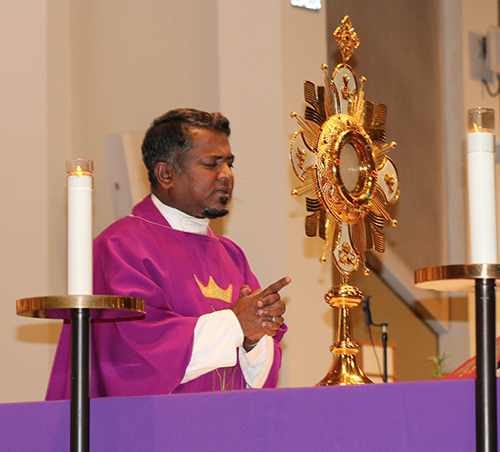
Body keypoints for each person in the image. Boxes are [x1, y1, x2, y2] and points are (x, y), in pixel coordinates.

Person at [46, 108, 290, 398]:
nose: (226, 175)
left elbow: (258, 371)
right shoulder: (122, 246)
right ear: (166, 174)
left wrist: (254, 335)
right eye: (212, 164)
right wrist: (236, 323)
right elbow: (139, 353)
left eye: (229, 164)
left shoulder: (231, 254)